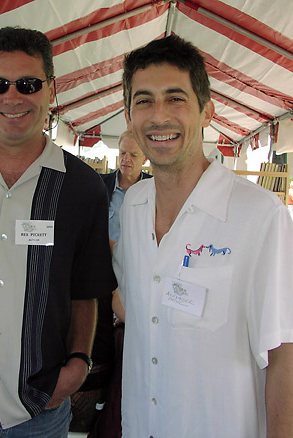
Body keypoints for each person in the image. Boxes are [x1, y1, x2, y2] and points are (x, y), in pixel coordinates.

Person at [0, 26, 117, 438]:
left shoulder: (82, 186)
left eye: (29, 84)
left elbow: (85, 291)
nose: (12, 97)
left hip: (39, 412)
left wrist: (78, 363)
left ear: (50, 89)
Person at [113, 34, 293, 437]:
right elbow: (138, 307)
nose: (159, 116)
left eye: (175, 98)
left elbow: (285, 357)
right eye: (143, 101)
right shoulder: (134, 205)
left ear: (206, 111)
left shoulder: (260, 216)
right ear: (128, 115)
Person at [70, 131, 151, 436]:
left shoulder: (152, 192)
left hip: (132, 279)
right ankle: (96, 401)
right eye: (123, 154)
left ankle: (116, 402)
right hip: (97, 275)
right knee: (97, 337)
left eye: (132, 155)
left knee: (126, 345)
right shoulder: (99, 187)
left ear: (145, 158)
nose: (126, 160)